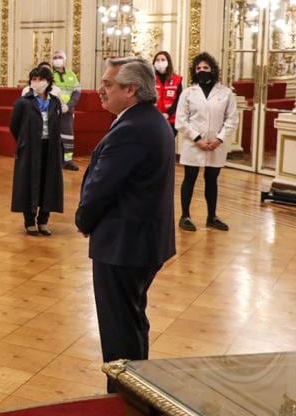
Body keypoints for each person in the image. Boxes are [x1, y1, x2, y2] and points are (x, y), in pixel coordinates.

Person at [76, 57, 176, 381]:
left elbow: (101, 187)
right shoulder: (150, 121)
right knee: (131, 321)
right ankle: (138, 388)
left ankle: (123, 397)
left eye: (108, 84)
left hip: (123, 246)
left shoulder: (131, 130)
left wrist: (83, 221)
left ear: (131, 89)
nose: (100, 90)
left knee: (119, 331)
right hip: (141, 242)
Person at [177, 52, 238, 232]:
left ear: (213, 69)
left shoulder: (226, 93)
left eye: (205, 67)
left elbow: (232, 119)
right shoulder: (188, 93)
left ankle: (212, 217)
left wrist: (219, 139)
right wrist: (197, 139)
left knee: (212, 180)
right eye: (198, 68)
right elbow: (181, 120)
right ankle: (185, 216)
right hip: (193, 143)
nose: (202, 70)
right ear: (194, 71)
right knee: (190, 178)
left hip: (215, 144)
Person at [10, 66, 65, 236]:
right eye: (34, 79)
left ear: (48, 82)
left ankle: (43, 221)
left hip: (50, 147)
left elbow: (58, 123)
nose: (37, 82)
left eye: (40, 79)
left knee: (48, 183)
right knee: (29, 183)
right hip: (30, 148)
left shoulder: (55, 102)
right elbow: (14, 126)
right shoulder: (23, 102)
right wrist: (24, 141)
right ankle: (29, 221)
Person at [49, 49, 82, 171]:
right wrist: (57, 105)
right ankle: (53, 160)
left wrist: (69, 106)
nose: (57, 60)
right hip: (52, 109)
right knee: (51, 134)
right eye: (55, 57)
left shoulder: (71, 75)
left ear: (65, 60)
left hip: (68, 110)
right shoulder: (49, 75)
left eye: (60, 57)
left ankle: (67, 160)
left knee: (68, 135)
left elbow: (77, 92)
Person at [153, 50, 182, 126]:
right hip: (154, 118)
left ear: (168, 62)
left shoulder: (177, 79)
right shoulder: (150, 79)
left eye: (163, 60)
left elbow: (179, 100)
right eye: (157, 60)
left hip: (171, 119)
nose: (160, 62)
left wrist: (168, 114)